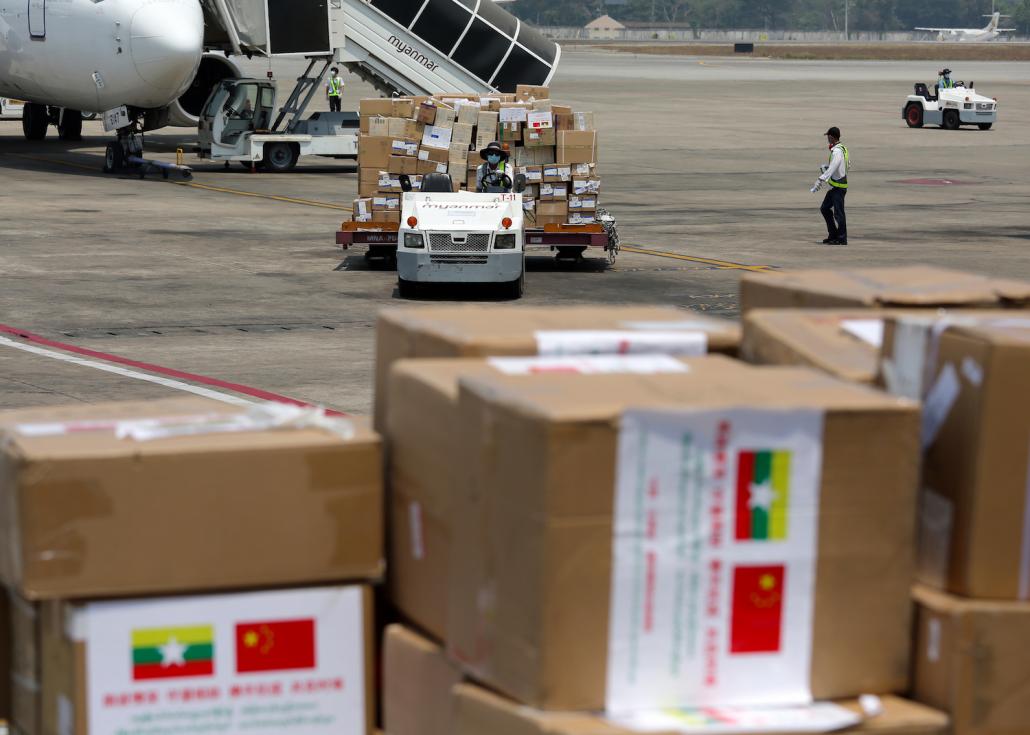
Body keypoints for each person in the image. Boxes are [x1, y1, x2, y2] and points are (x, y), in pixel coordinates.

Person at [812, 126, 850, 246]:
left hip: (838, 187)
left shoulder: (837, 151)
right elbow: (847, 164)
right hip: (835, 186)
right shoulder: (843, 149)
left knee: (839, 213)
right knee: (824, 208)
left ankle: (842, 238)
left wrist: (821, 179)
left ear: (832, 137)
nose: (827, 139)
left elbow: (834, 167)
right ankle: (833, 235)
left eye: (828, 136)